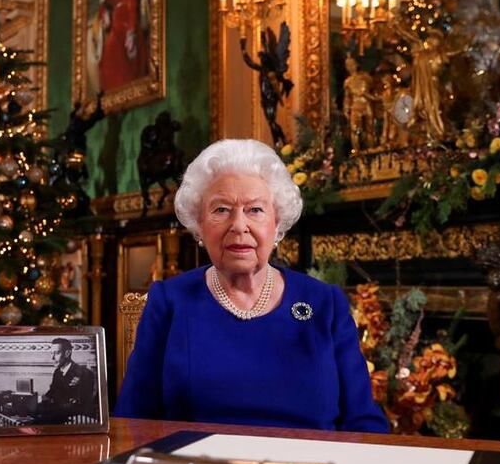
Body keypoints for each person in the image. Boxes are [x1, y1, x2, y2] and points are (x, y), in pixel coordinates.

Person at [115, 139, 389, 432]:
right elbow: (132, 419)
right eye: (221, 210)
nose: (239, 225)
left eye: (255, 210)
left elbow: (363, 421)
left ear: (277, 221)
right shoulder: (170, 301)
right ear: (199, 224)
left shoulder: (325, 303)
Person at [91, 0, 148, 92]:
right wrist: (105, 15)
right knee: (109, 48)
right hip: (115, 25)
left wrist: (130, 32)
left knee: (118, 42)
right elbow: (104, 7)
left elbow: (132, 5)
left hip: (128, 23)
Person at [38, 337, 97, 423]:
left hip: (75, 419)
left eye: (56, 353)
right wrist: (39, 398)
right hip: (58, 414)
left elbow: (83, 403)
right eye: (52, 353)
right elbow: (51, 392)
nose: (52, 358)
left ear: (67, 353)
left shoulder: (84, 373)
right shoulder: (57, 372)